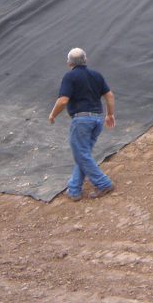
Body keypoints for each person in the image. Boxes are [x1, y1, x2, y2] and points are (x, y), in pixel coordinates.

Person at [48, 48, 116, 201]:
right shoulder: (96, 75)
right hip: (97, 119)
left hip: (81, 121)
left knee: (81, 154)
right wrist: (110, 114)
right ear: (85, 60)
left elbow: (63, 100)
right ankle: (74, 189)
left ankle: (103, 183)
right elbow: (109, 95)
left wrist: (53, 115)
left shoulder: (70, 77)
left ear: (69, 62)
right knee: (83, 154)